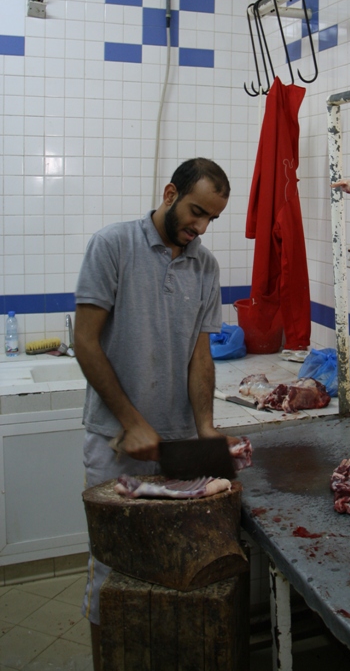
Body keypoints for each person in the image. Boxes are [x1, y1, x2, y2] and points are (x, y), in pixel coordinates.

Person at [74, 158, 231, 669]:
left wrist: (205, 430)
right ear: (169, 193)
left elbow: (199, 357)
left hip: (179, 448)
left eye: (211, 219)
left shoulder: (205, 266)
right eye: (195, 212)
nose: (201, 228)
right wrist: (131, 421)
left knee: (176, 571)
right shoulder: (112, 245)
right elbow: (85, 342)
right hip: (117, 443)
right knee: (113, 569)